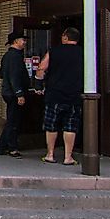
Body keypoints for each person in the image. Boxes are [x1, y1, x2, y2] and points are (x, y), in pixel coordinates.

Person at [35, 27, 83, 166]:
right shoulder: (82, 52)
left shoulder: (54, 51)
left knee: (51, 125)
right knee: (70, 126)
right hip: (74, 94)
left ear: (66, 38)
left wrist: (39, 86)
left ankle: (50, 154)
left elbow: (41, 67)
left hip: (54, 94)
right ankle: (68, 157)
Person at [0, 30, 29, 158]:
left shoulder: (7, 56)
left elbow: (1, 73)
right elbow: (14, 76)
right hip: (13, 93)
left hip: (8, 91)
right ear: (16, 41)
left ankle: (3, 146)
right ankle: (12, 147)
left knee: (12, 120)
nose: (25, 42)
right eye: (23, 40)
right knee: (13, 121)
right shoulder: (15, 57)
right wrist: (19, 93)